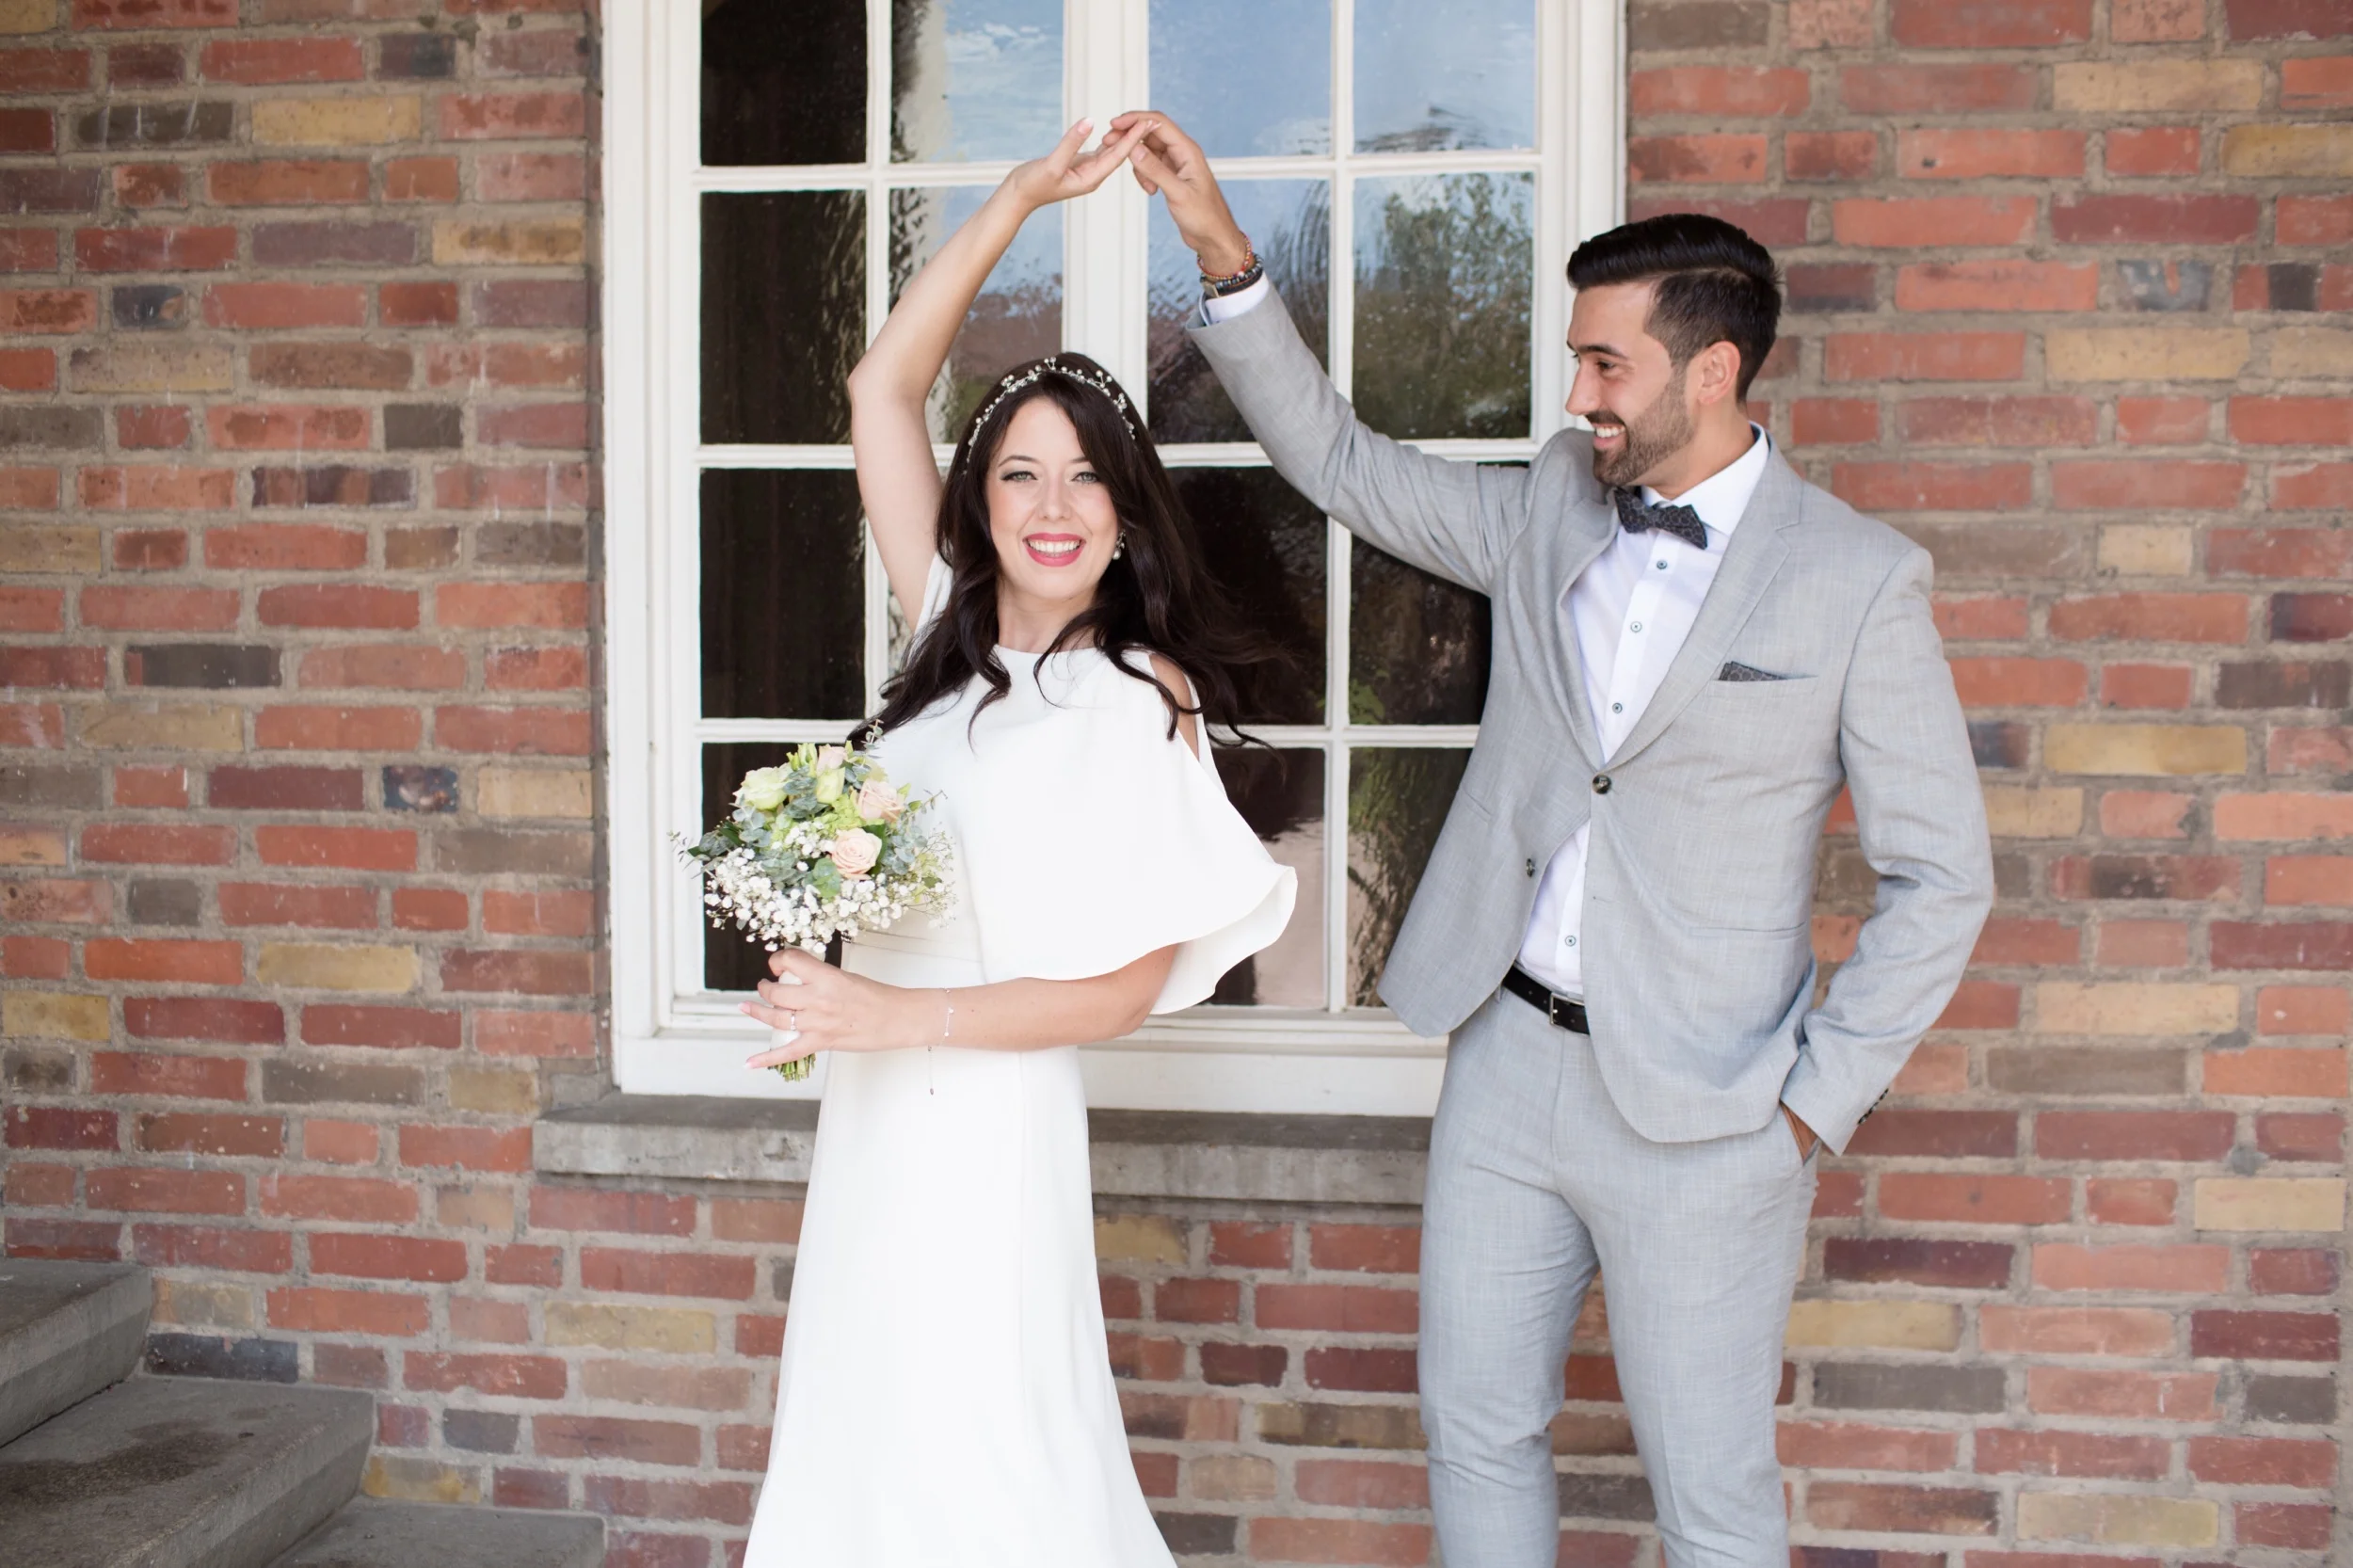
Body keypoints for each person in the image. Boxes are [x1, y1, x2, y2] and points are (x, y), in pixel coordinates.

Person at [1121, 114, 1993, 1568]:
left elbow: (1942, 876)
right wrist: (1219, 242)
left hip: (1716, 1114)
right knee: (1475, 1435)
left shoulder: (1856, 583)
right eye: (1576, 357)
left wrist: (1808, 1104)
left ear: (1711, 372)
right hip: (1508, 1068)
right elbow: (1339, 462)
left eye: (1607, 364)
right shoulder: (1544, 514)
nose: (1576, 388)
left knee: (1712, 1502)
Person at [734, 119, 1296, 1567]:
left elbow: (1122, 988)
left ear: (1125, 512)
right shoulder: (943, 632)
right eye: (1020, 475)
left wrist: (893, 1012)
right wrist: (1022, 197)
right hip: (871, 1114)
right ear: (979, 502)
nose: (1054, 507)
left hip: (987, 1121)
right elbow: (881, 384)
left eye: (1086, 478)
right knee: (864, 1444)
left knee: (989, 1454)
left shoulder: (1136, 699)